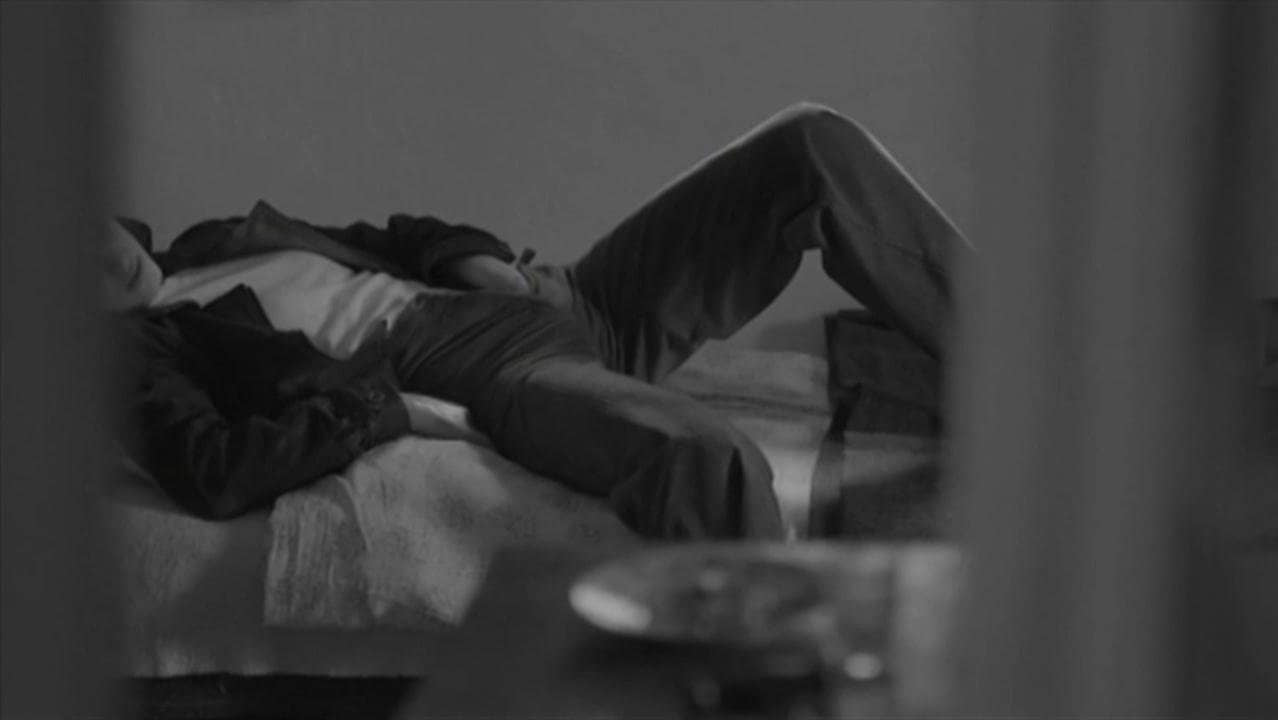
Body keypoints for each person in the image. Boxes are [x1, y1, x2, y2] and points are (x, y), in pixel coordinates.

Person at [107, 103, 970, 540]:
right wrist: (385, 409)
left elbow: (397, 236)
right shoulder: (136, 353)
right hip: (498, 373)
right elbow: (213, 471)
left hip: (566, 297)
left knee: (809, 145)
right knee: (709, 461)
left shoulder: (219, 239)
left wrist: (471, 259)